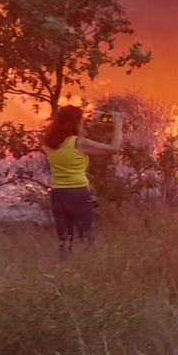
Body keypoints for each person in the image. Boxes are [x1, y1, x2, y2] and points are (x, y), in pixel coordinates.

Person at [41, 105, 122, 256]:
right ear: (76, 123)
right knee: (87, 238)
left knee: (64, 240)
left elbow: (78, 139)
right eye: (81, 121)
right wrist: (118, 125)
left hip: (58, 194)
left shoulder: (52, 143)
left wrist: (93, 123)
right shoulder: (78, 143)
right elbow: (113, 148)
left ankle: (64, 270)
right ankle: (90, 268)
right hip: (78, 193)